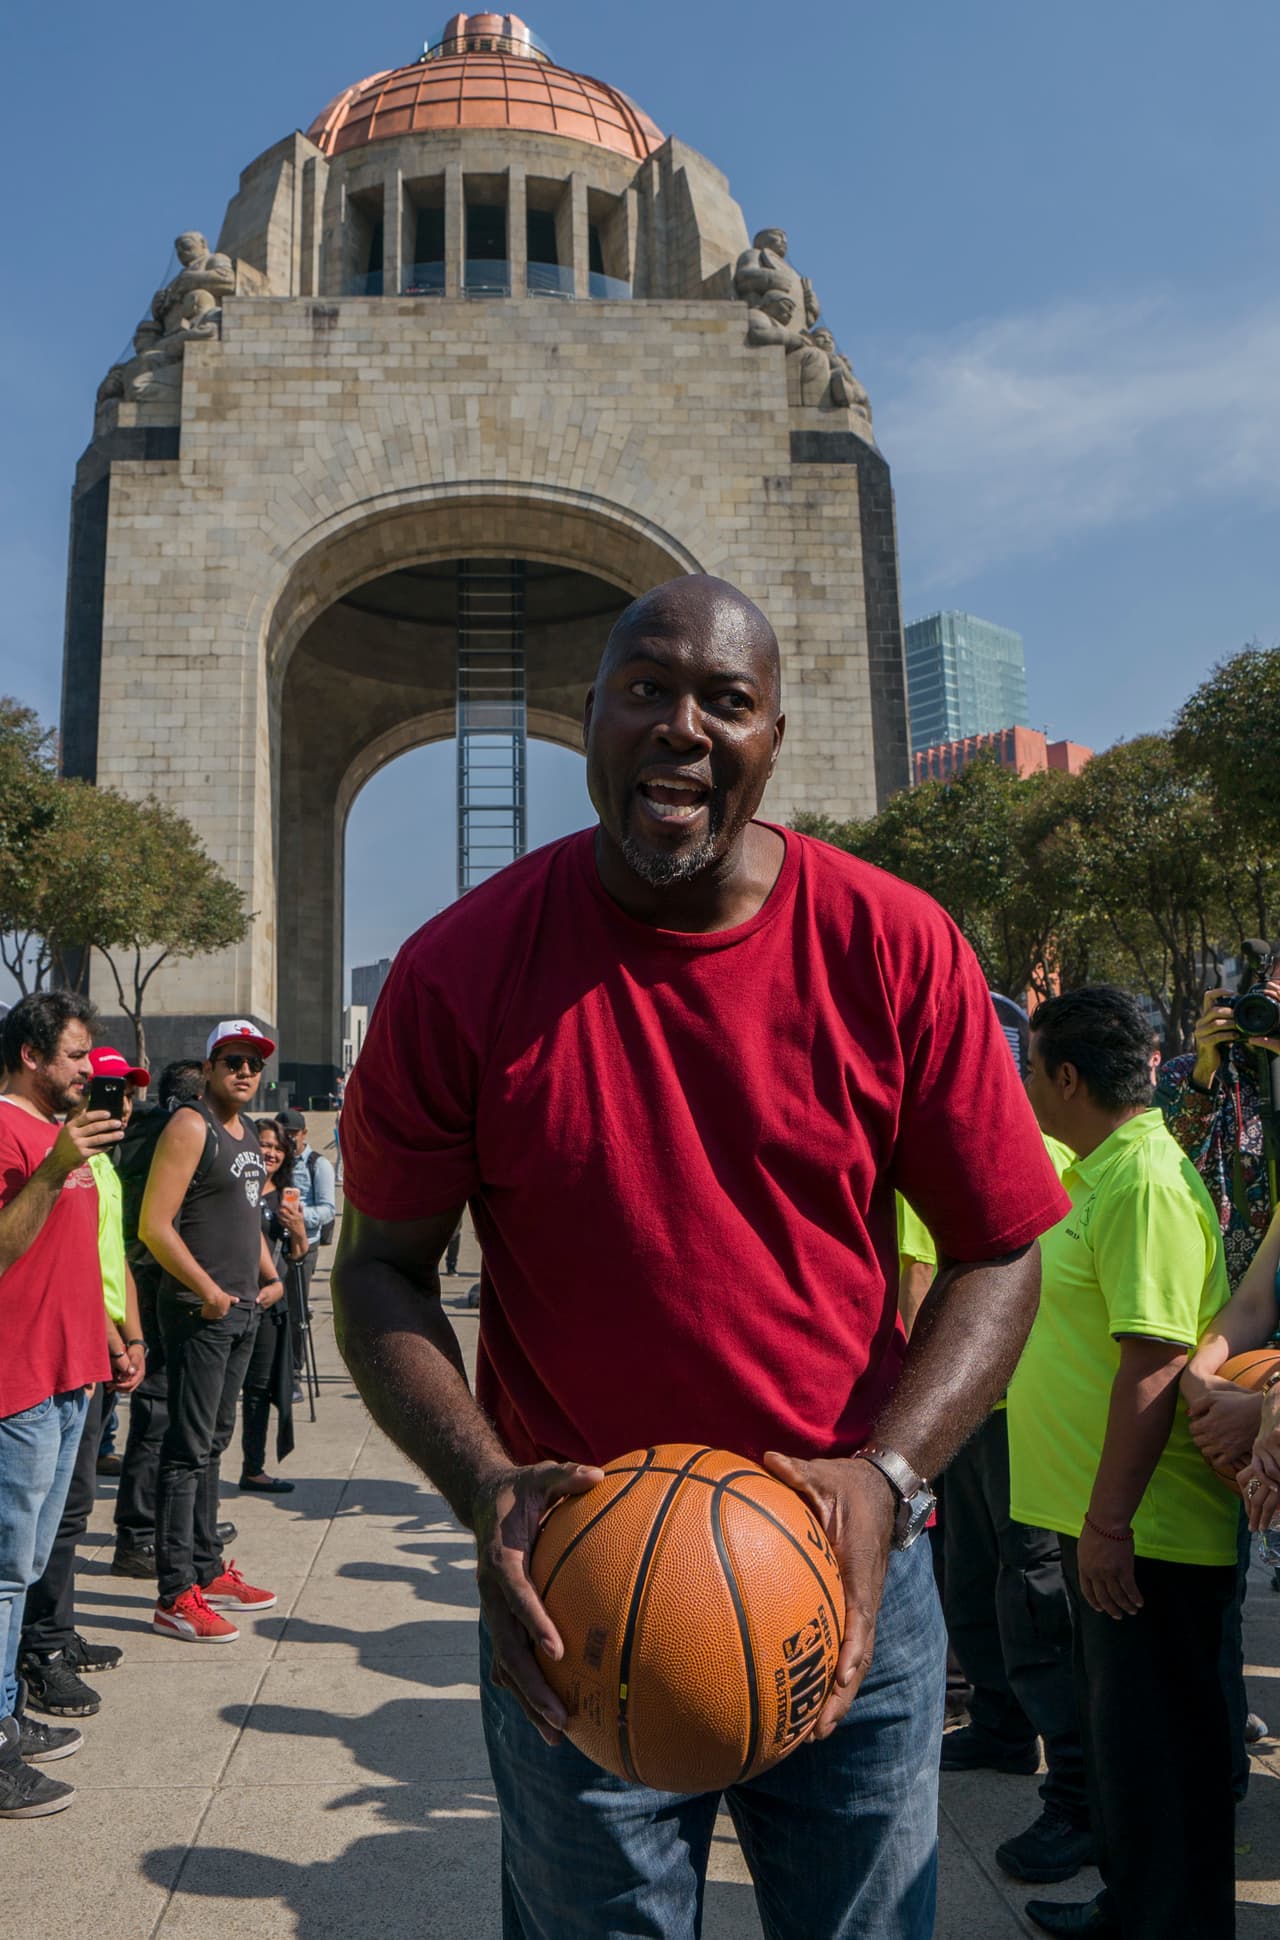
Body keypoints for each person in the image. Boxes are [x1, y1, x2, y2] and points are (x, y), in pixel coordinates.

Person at [333, 574, 1069, 1940]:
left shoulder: (894, 946)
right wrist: (485, 1481)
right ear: (592, 720)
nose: (683, 726)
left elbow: (1000, 1248)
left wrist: (889, 1473)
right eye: (646, 689)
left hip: (848, 1565)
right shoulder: (458, 973)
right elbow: (379, 1269)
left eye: (726, 700)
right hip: (580, 1585)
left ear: (773, 741)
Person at [1010, 986, 1240, 1940]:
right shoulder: (1096, 1165)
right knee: (1129, 1751)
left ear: (1067, 1078)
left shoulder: (1143, 1181)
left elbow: (1154, 1363)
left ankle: (1170, 1923)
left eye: (1031, 1069)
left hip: (1148, 1534)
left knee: (1164, 1756)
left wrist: (1108, 1524)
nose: (1023, 1086)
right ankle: (1133, 1908)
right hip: (1103, 1521)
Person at [0, 993, 123, 1819]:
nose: (89, 1069)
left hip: (70, 1379)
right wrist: (49, 1169)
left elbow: (75, 1254)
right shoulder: (12, 1130)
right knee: (4, 1575)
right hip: (18, 1386)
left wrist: (109, 1340)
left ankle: (8, 1713)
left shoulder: (62, 1134)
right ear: (33, 1055)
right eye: (76, 1054)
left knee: (27, 1566)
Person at [140, 1022, 283, 1642]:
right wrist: (209, 1293)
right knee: (186, 1449)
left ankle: (206, 1566)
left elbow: (246, 1217)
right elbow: (154, 1224)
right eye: (233, 1060)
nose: (245, 1072)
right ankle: (176, 1592)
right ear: (210, 1065)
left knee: (213, 1445)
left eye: (253, 1062)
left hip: (243, 1307)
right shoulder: (191, 1125)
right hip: (203, 1312)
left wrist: (269, 1277)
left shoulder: (247, 1130)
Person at [19, 1048, 150, 1719]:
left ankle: (55, 1633)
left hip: (97, 1353)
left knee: (71, 1510)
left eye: (125, 1093)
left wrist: (131, 1334)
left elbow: (115, 1257)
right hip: (66, 1350)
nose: (116, 1103)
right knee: (50, 1515)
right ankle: (37, 1651)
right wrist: (109, 1333)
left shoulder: (103, 1167)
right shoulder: (57, 1162)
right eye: (102, 1087)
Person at [111, 1060, 237, 1575]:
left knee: (172, 1421)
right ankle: (141, 1536)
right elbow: (156, 1226)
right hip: (156, 1293)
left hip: (145, 1288)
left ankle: (185, 1532)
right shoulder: (177, 1137)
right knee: (160, 1418)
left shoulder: (144, 1135)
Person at [238, 1119, 307, 1493]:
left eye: (278, 1148)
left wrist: (296, 1227)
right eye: (265, 1145)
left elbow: (299, 1255)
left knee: (259, 1389)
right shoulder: (238, 1188)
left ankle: (253, 1467)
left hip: (272, 1305)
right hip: (235, 1297)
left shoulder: (285, 1196)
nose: (271, 1153)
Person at [275, 1108, 336, 1393]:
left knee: (296, 1312)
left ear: (303, 1134)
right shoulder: (275, 1160)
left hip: (304, 1244)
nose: (287, 1141)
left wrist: (300, 1217)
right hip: (272, 1243)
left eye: (292, 1136)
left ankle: (294, 1374)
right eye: (281, 1135)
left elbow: (328, 1210)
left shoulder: (317, 1164)